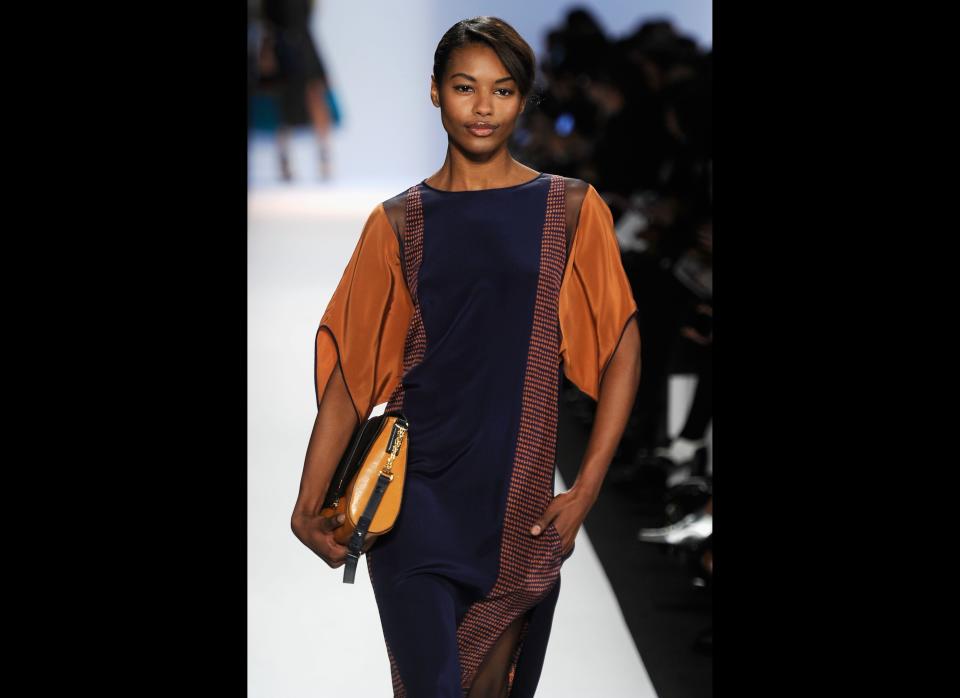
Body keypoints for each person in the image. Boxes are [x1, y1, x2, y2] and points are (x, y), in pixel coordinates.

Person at [291, 17, 641, 698]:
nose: (483, 108)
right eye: (465, 87)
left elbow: (622, 344)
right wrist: (311, 499)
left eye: (503, 91)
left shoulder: (570, 209)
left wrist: (589, 488)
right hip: (412, 499)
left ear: (523, 99)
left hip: (519, 505)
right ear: (434, 92)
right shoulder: (397, 221)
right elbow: (351, 377)